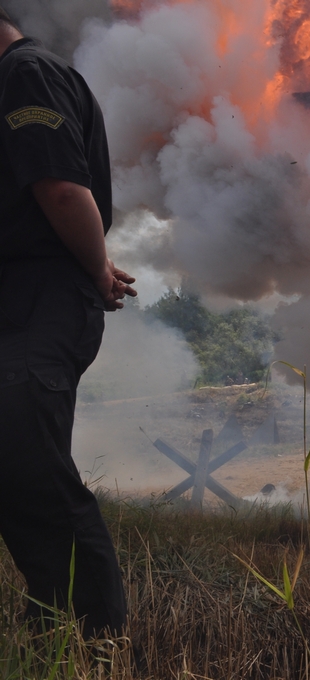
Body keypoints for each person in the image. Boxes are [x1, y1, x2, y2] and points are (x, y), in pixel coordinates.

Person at [0, 6, 136, 638]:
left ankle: (94, 640)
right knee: (14, 470)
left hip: (40, 298)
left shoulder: (25, 73)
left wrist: (98, 270)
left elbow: (62, 191)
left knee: (32, 467)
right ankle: (52, 621)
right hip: (24, 299)